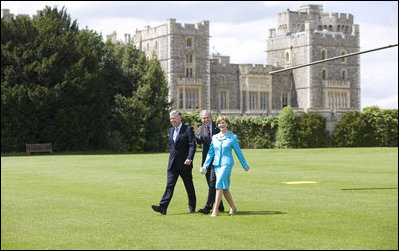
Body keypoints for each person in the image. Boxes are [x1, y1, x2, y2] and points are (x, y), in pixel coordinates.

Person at [202, 115, 249, 217]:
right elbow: (210, 153)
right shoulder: (215, 137)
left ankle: (215, 210)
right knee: (225, 188)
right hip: (216, 165)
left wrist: (244, 165)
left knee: (219, 185)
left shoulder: (233, 137)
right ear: (217, 125)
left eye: (223, 122)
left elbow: (238, 152)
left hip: (226, 164)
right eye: (219, 123)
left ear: (227, 124)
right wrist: (205, 166)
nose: (221, 125)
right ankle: (233, 207)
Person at [152, 110, 196, 215]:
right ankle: (163, 207)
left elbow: (192, 145)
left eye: (174, 118)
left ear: (180, 118)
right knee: (169, 186)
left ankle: (192, 207)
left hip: (185, 164)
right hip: (172, 164)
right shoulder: (171, 130)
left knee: (189, 186)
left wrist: (189, 158)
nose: (172, 120)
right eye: (171, 119)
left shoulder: (188, 129)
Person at [193, 110, 224, 214]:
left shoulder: (218, 126)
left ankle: (208, 207)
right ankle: (220, 206)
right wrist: (197, 135)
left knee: (212, 182)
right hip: (206, 160)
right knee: (211, 183)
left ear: (211, 117)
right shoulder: (202, 129)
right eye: (203, 118)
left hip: (218, 159)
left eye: (207, 117)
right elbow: (201, 141)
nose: (205, 119)